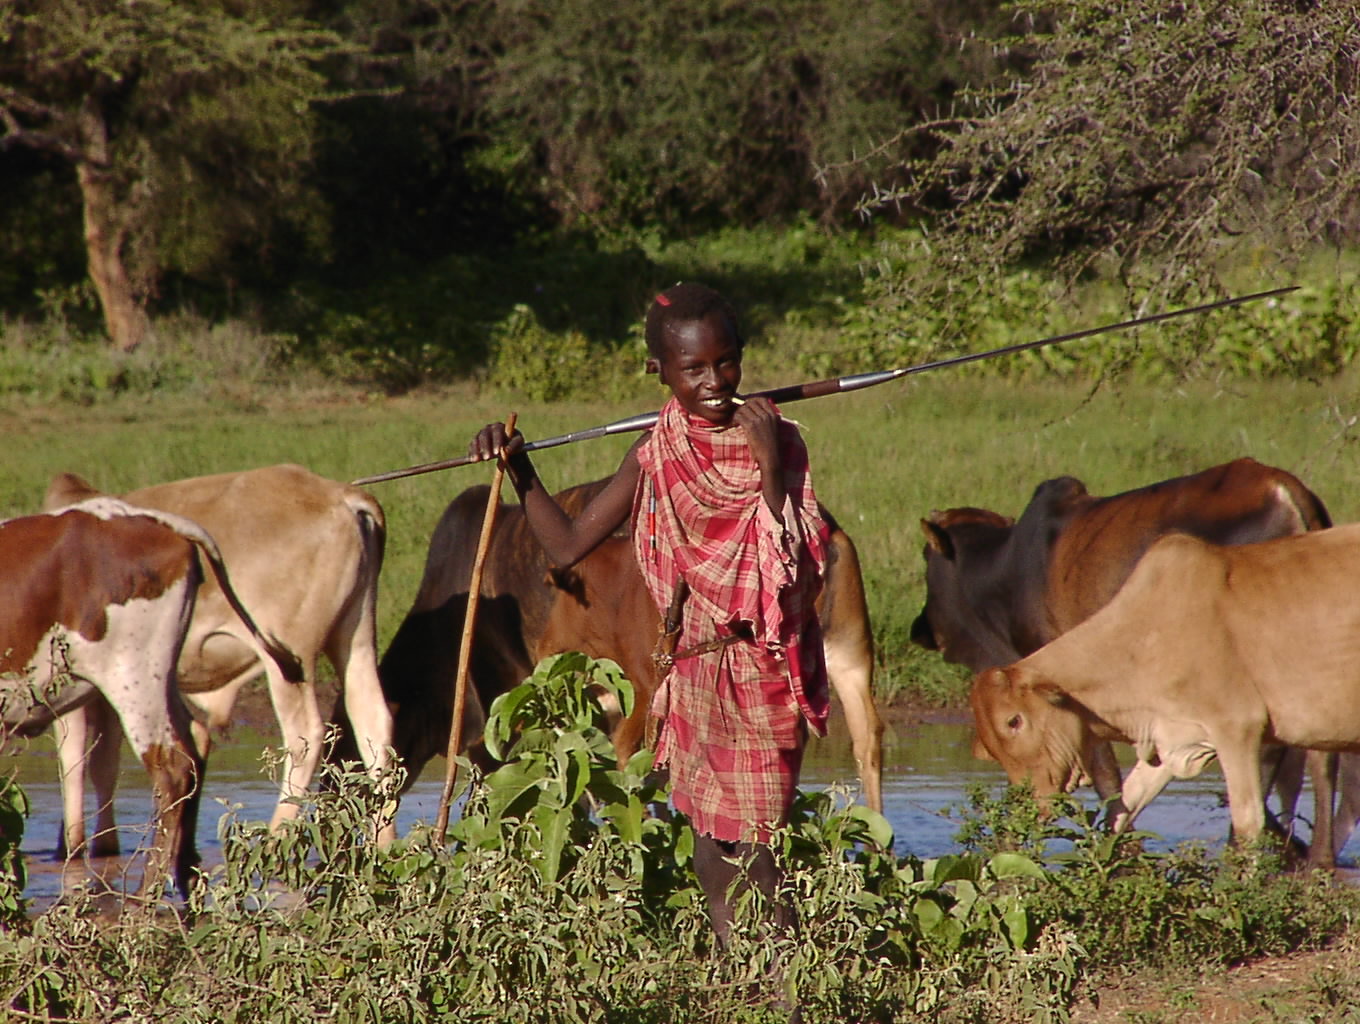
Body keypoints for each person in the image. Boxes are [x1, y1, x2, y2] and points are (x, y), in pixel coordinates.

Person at [468, 282, 830, 950]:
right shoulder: (657, 450)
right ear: (658, 372)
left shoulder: (775, 440)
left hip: (761, 666)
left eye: (727, 362)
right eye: (693, 369)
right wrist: (520, 471)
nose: (715, 382)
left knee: (761, 849)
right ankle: (737, 979)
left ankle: (787, 990)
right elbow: (568, 546)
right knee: (711, 848)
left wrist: (768, 462)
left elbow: (794, 563)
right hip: (692, 666)